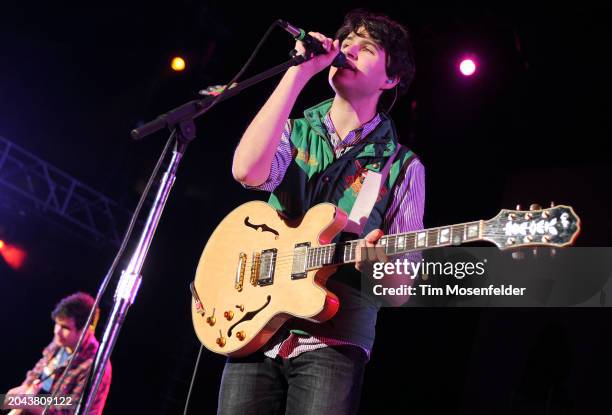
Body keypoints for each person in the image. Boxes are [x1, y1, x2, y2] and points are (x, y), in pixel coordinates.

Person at [221, 9, 425, 414]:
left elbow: (399, 291)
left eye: (365, 48)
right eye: (345, 42)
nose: (348, 49)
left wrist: (379, 266)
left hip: (333, 341)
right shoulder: (295, 130)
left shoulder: (402, 166)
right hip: (256, 323)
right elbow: (247, 172)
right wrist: (297, 73)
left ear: (391, 78)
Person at [4, 292, 111, 415]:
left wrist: (27, 404)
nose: (57, 332)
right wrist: (19, 394)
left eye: (65, 327)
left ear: (85, 331)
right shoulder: (60, 341)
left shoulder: (95, 365)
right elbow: (34, 376)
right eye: (57, 324)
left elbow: (69, 411)